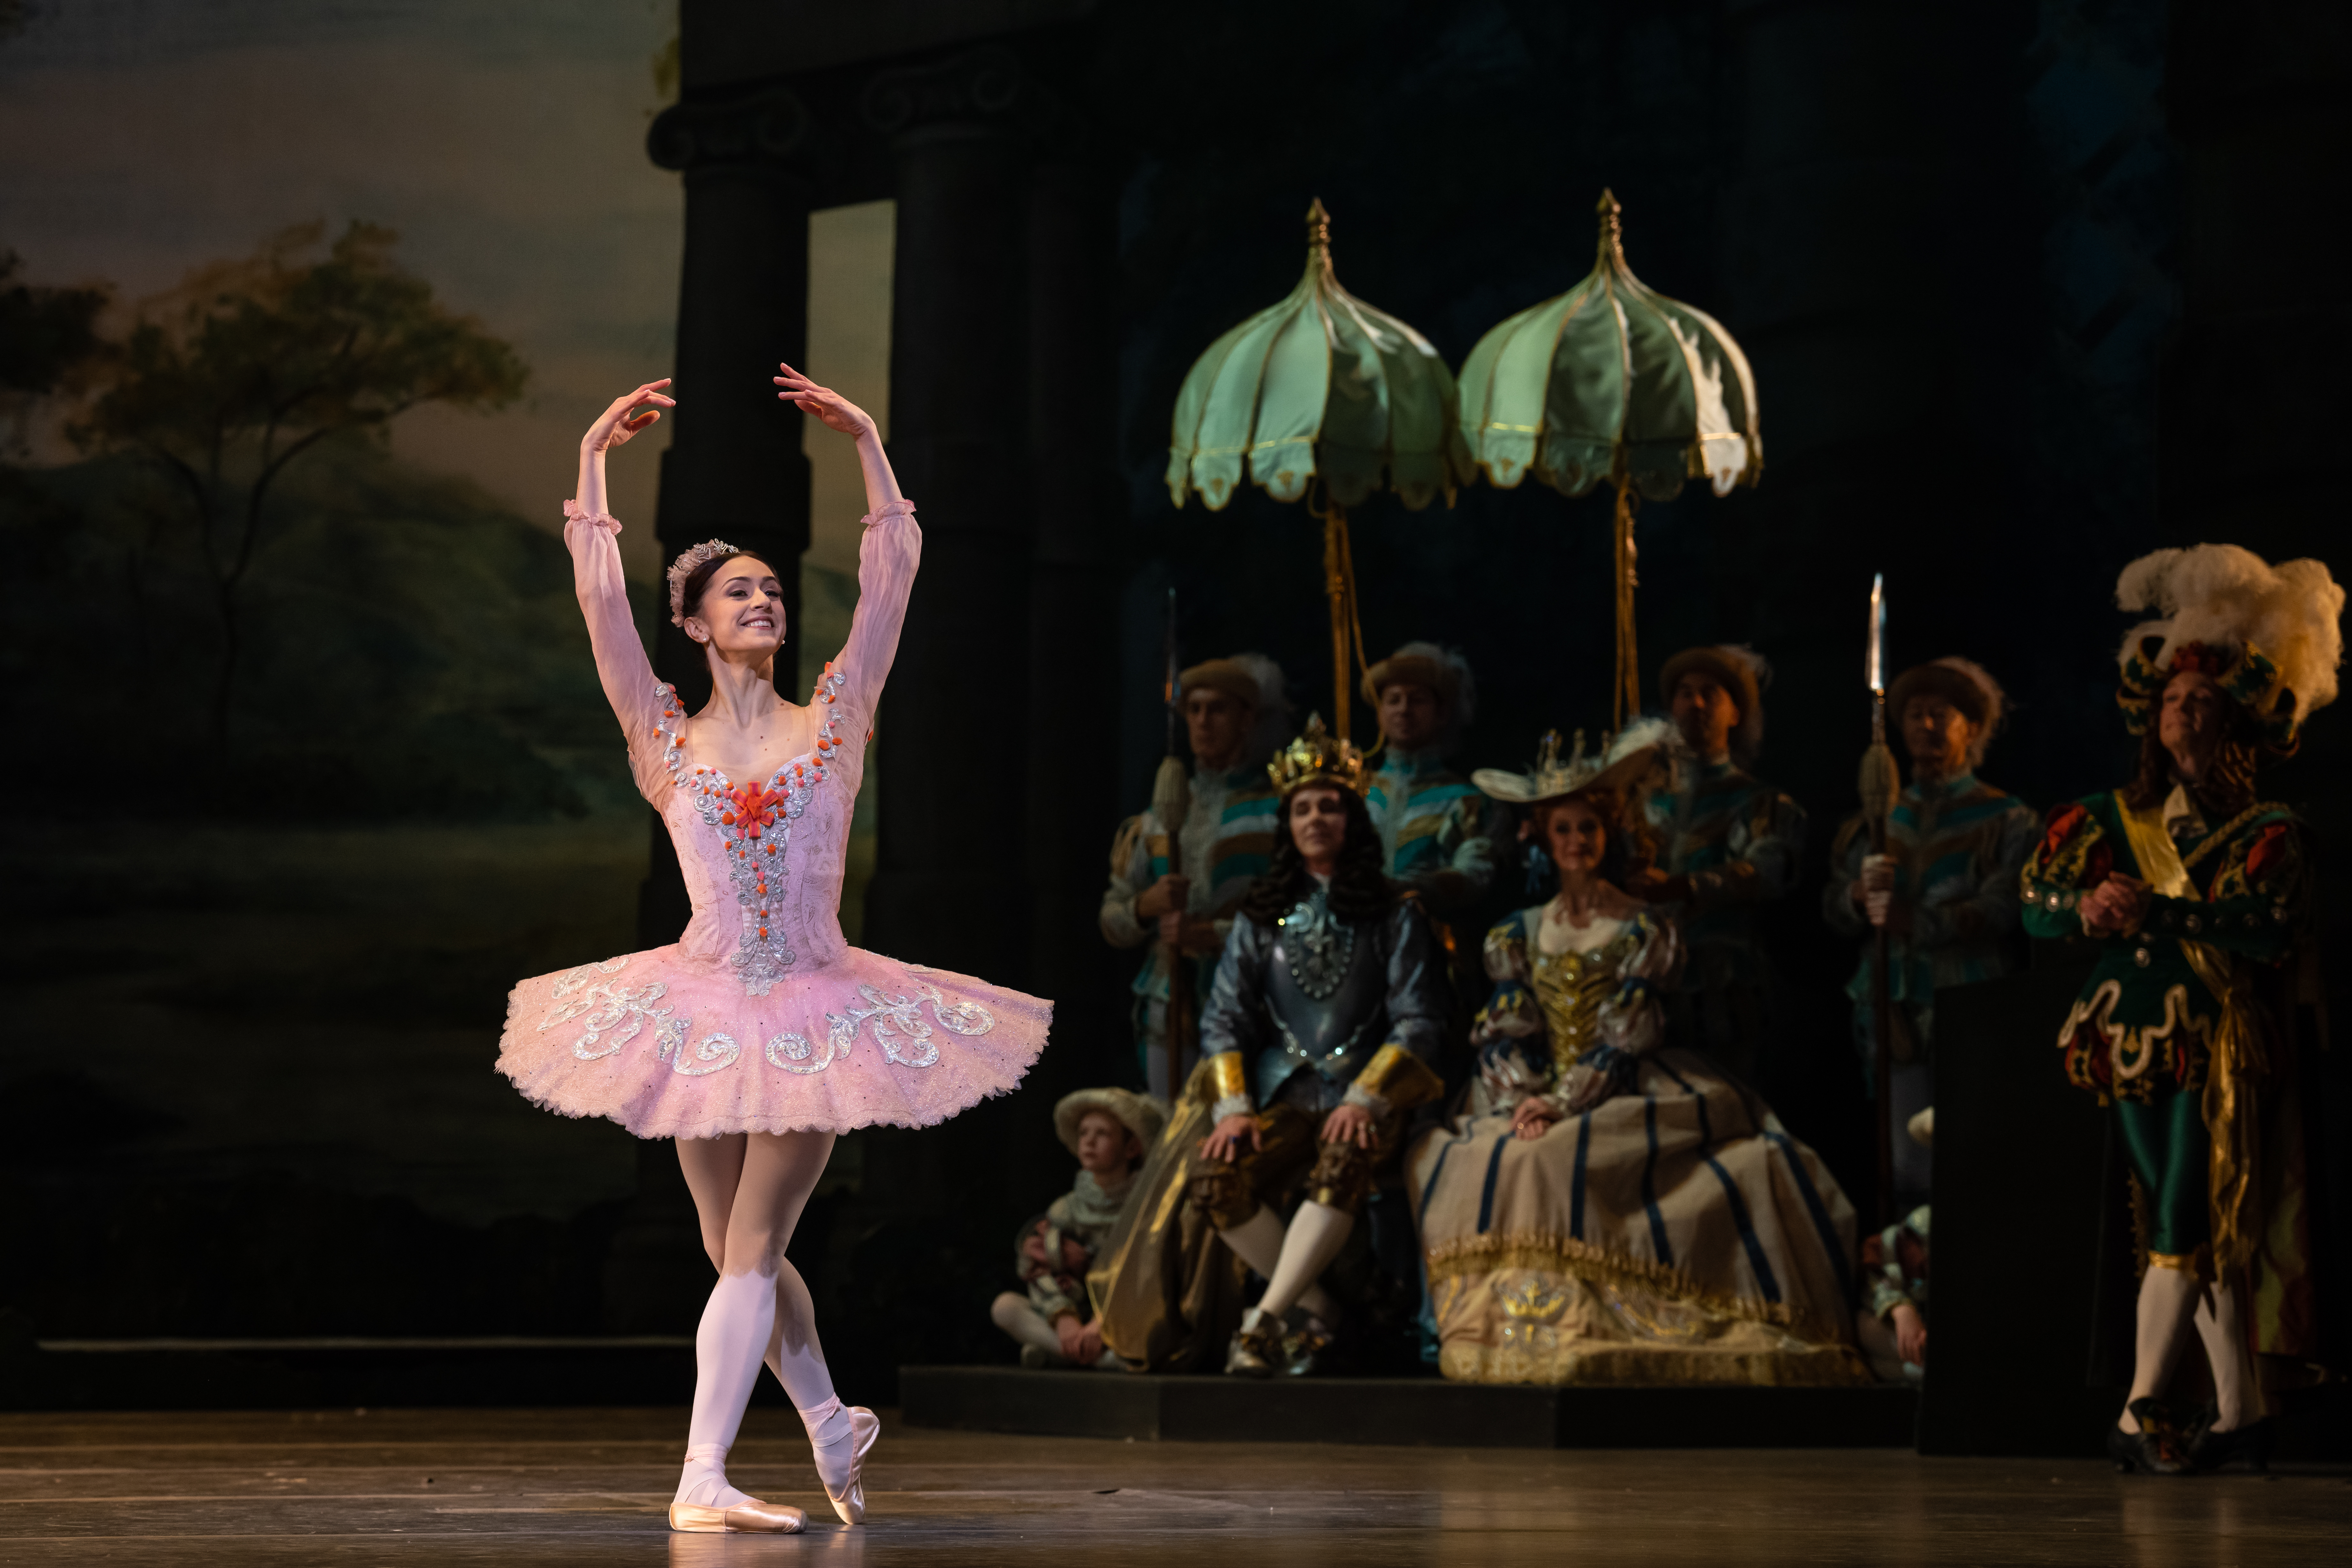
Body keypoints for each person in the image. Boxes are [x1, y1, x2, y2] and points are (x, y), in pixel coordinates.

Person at [494, 372, 1050, 1534]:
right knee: (724, 1244)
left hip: (812, 1004)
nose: (764, 599)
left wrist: (868, 444)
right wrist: (593, 465)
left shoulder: (838, 716)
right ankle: (830, 1418)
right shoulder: (663, 736)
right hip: (698, 1003)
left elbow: (894, 575)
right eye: (735, 590)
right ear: (692, 622)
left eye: (771, 588)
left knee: (752, 1245)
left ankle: (701, 1473)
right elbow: (600, 606)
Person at [1410, 722, 1868, 1387]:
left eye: (1587, 830)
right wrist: (1521, 1099)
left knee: (1556, 1159)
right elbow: (1509, 1030)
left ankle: (1601, 1320)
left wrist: (1561, 1104)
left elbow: (1626, 1033)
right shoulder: (1518, 931)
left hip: (1619, 1085)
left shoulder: (1643, 926)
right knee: (1466, 1155)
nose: (1575, 843)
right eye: (1562, 829)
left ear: (1608, 835)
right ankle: (1500, 1332)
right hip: (1530, 1087)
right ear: (1541, 835)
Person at [2020, 544, 2338, 1475]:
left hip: (2226, 1038)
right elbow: (2036, 903)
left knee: (2201, 1215)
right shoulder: (2106, 818)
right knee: (2185, 1210)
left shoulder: (2270, 832)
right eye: (2170, 700)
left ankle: (2176, 1410)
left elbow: (2267, 926)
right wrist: (2083, 906)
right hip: (2132, 1037)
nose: (2184, 711)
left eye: (2202, 700)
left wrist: (2158, 907)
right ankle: (2219, 1413)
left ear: (2235, 719)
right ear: (2150, 719)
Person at [1093, 718, 1448, 1377]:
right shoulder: (1262, 917)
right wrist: (1231, 1107)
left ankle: (1260, 1324)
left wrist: (1368, 1099)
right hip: (1283, 1089)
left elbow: (1418, 1020)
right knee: (1213, 1178)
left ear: (1353, 818)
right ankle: (1310, 1306)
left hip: (1365, 1092)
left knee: (1343, 1160)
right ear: (1286, 823)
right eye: (1304, 808)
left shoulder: (1395, 913)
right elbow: (1224, 1017)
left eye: (1330, 806)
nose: (1316, 818)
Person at [1822, 657, 2037, 1206]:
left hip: (1968, 999)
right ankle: (1909, 1279)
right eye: (1916, 714)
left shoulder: (2004, 818)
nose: (1926, 725)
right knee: (1904, 1158)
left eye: (1941, 714)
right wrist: (1856, 895)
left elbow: (2005, 905)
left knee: (1972, 1145)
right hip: (1892, 1004)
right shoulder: (1877, 820)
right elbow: (1835, 907)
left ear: (1971, 727)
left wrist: (1918, 921)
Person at [1101, 655, 1287, 1096]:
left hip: (1251, 998)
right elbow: (1112, 917)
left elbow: (1295, 917)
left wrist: (1214, 934)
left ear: (1246, 719)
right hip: (1167, 1000)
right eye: (1195, 710)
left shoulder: (1276, 814)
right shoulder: (1156, 818)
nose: (1203, 721)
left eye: (1218, 709)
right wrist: (1144, 907)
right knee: (1168, 1130)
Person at [1628, 645, 1805, 1083]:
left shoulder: (1757, 802)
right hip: (1642, 986)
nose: (1696, 703)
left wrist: (1680, 887)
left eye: (1710, 693)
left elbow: (1764, 871)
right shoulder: (1639, 800)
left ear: (1736, 714)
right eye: (1685, 693)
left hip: (1723, 986)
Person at [990, 1088, 1165, 1370]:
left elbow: (1148, 1273)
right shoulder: (1067, 1209)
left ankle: (1059, 1352)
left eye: (1103, 1134)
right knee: (1006, 1307)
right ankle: (1092, 1357)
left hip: (1125, 1313)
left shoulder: (1148, 1207)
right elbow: (1042, 1267)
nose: (1089, 1142)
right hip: (1078, 1310)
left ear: (1131, 1148)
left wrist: (1102, 1324)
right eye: (1084, 1133)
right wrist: (1063, 1318)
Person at [1360, 642, 1504, 919]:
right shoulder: (1356, 792)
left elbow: (1475, 874)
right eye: (1393, 699)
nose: (1404, 710)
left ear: (1442, 714)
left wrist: (1411, 889)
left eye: (1417, 699)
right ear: (1380, 715)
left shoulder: (1466, 799)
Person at [1855, 1109, 1934, 1383]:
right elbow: (1883, 1262)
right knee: (1872, 1331)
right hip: (1917, 1320)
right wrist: (1900, 1309)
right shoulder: (1922, 1224)